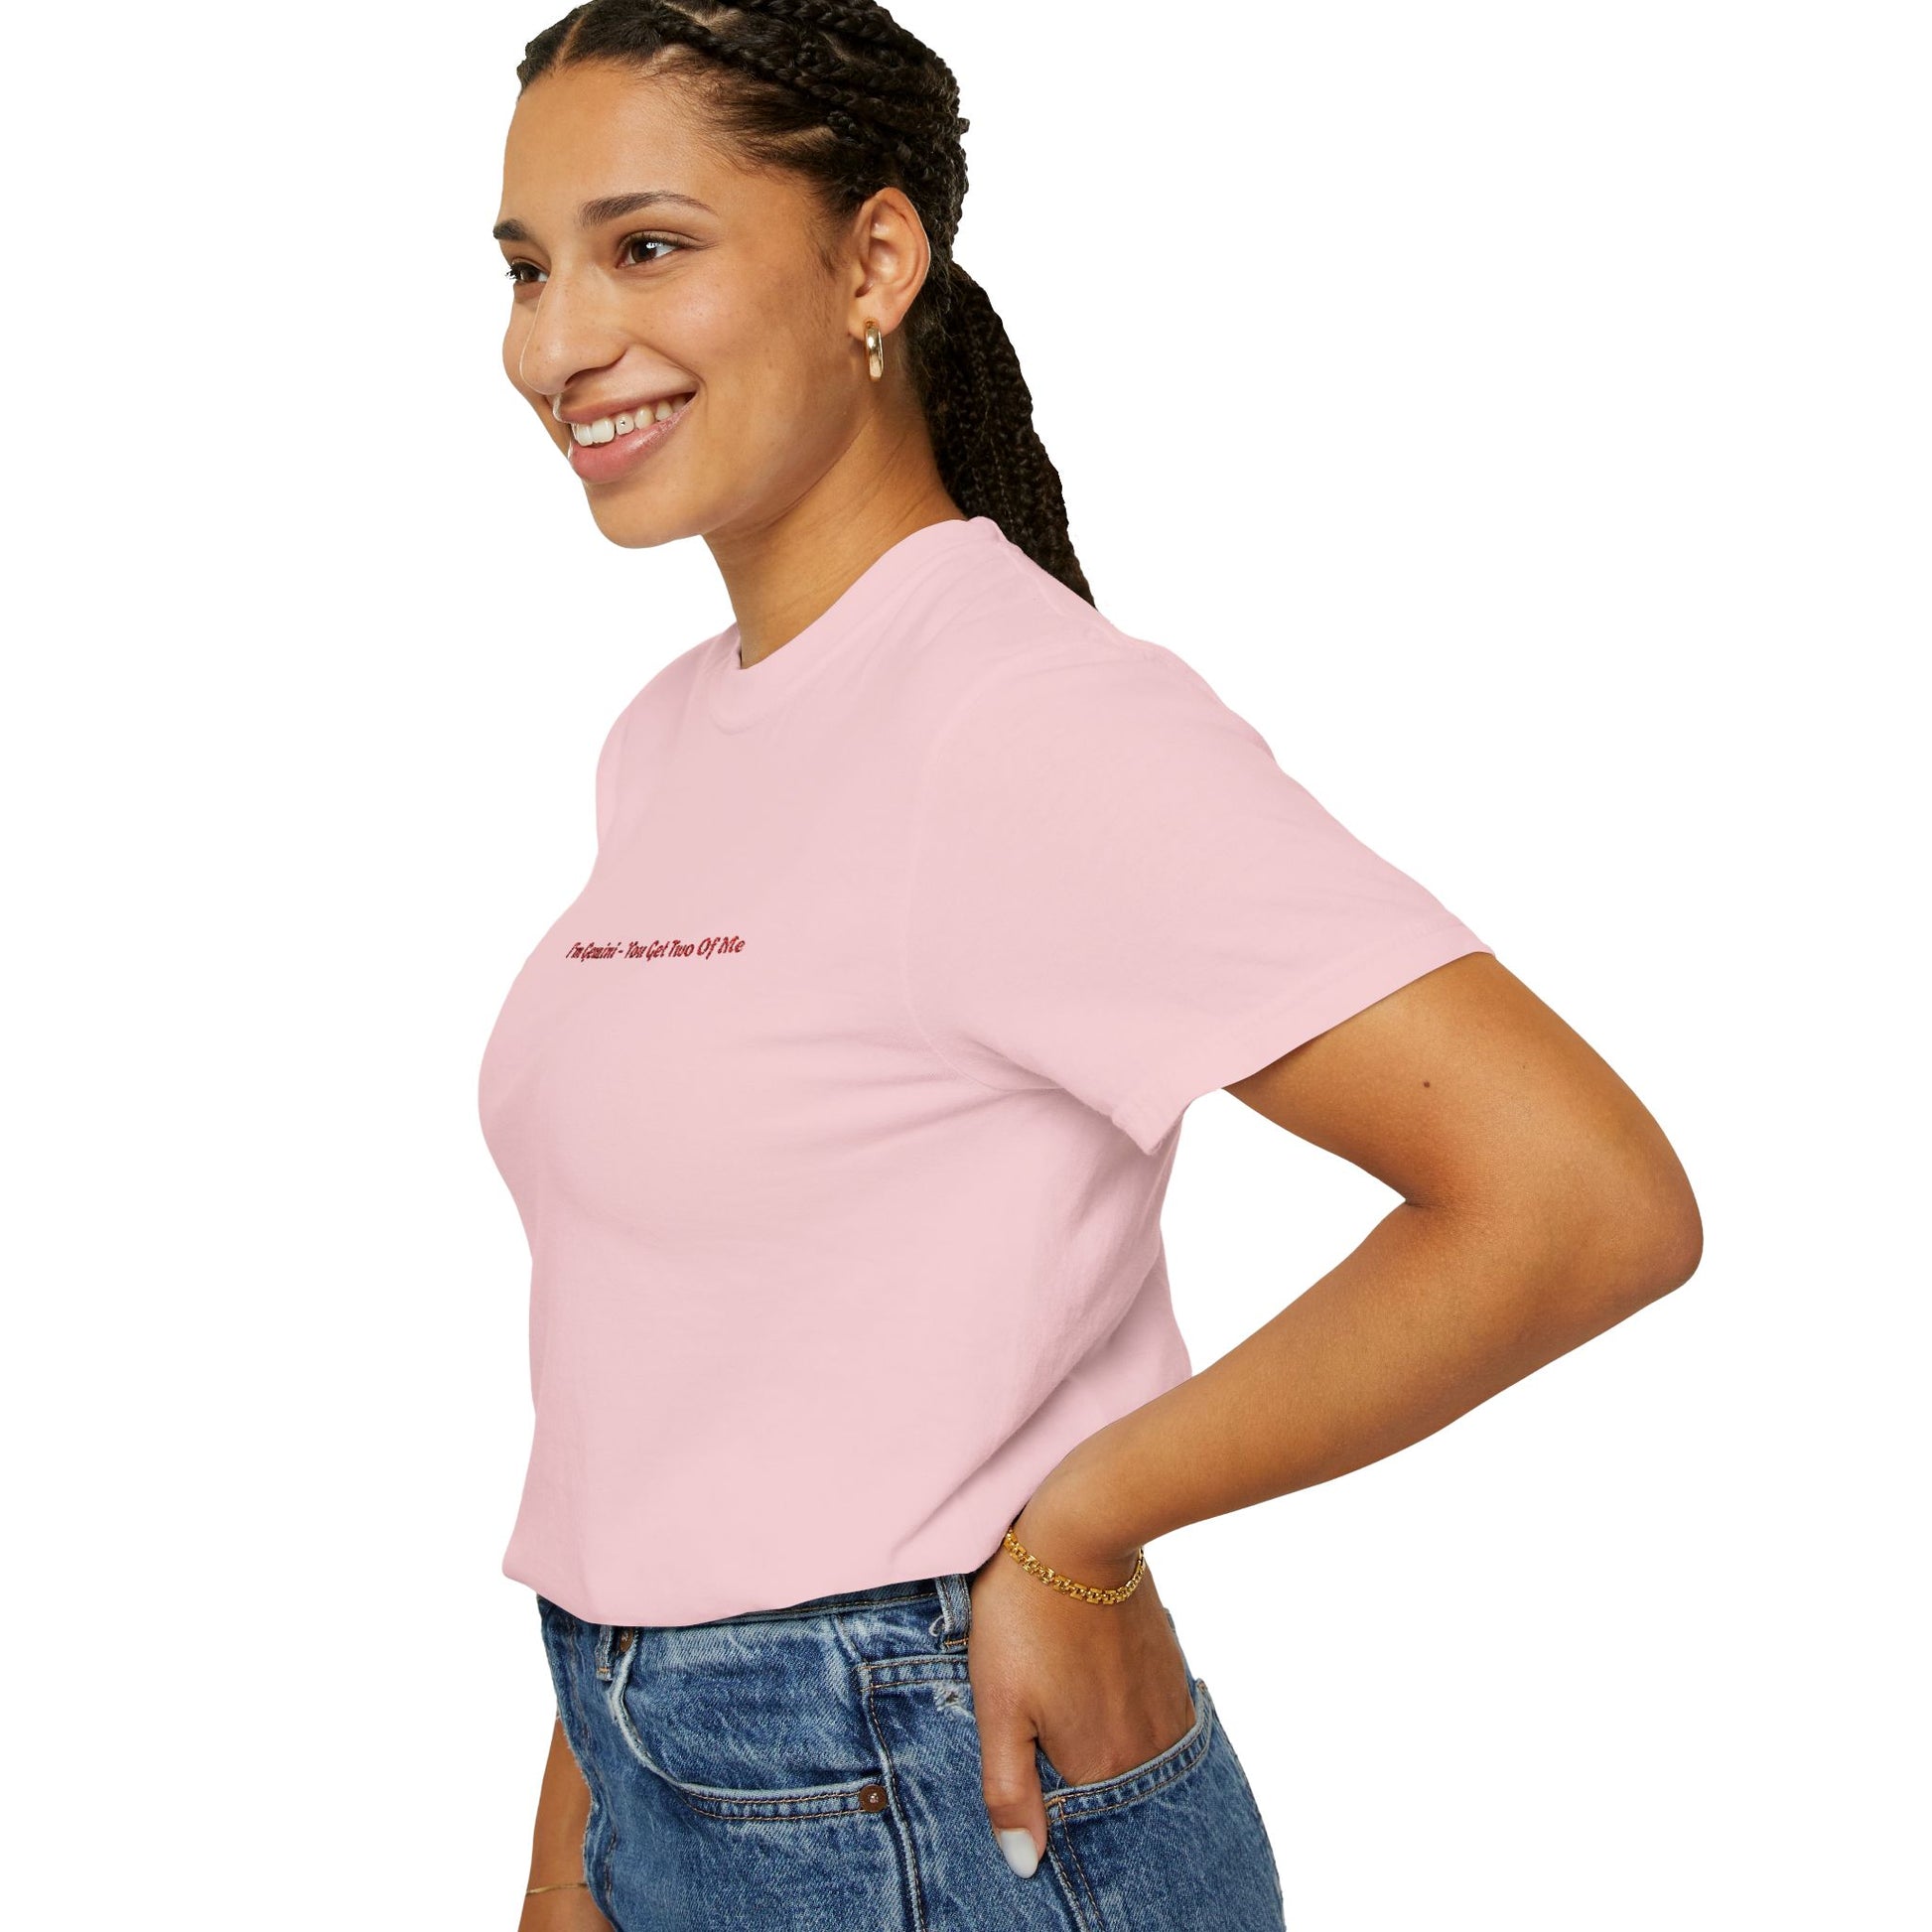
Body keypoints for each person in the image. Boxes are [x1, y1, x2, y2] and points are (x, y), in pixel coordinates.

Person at [479, 6, 1704, 1928]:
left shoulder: (1019, 717)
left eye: (646, 247)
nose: (557, 343)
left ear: (875, 262)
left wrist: (1084, 1523)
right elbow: (674, 1377)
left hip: (934, 1797)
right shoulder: (669, 735)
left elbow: (1580, 1198)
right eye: (525, 269)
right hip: (659, 1773)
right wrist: (578, 1850)